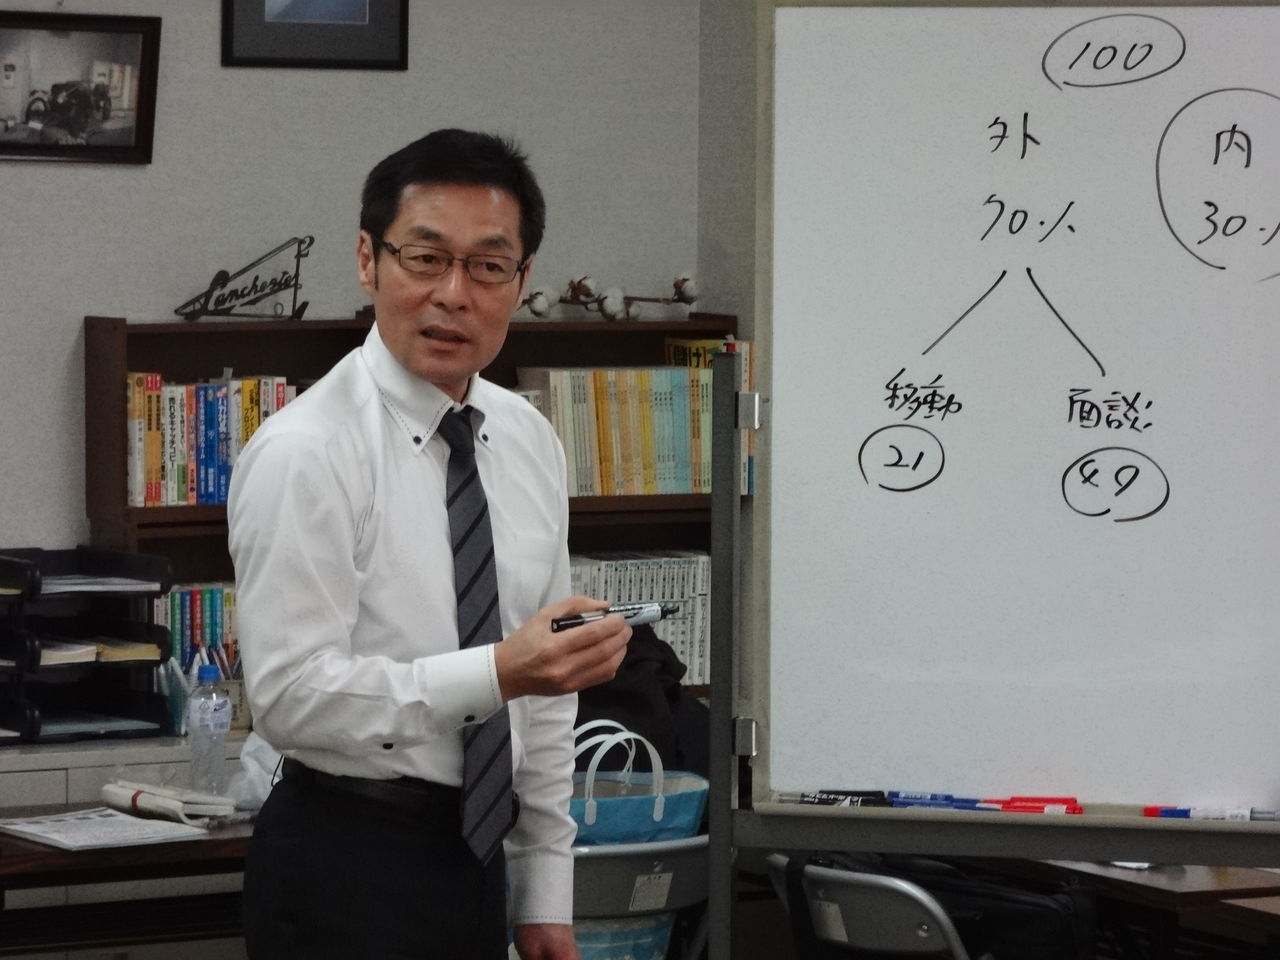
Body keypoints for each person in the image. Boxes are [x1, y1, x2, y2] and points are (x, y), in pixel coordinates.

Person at [227, 128, 631, 960]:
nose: (454, 294)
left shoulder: (526, 437)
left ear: (521, 281)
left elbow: (547, 689)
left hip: (480, 858)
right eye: (425, 259)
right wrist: (498, 672)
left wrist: (545, 890)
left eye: (487, 267)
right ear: (367, 261)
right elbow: (290, 697)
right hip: (344, 856)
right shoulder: (306, 450)